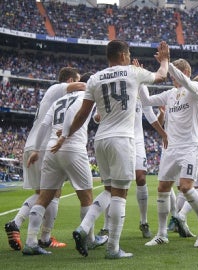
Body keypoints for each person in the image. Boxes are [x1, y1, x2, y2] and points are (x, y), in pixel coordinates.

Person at [58, 40, 169, 259]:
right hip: (122, 139)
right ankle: (113, 248)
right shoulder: (132, 71)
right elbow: (161, 75)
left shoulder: (95, 78)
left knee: (108, 190)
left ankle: (83, 228)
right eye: (127, 54)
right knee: (120, 193)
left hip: (101, 140)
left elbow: (83, 115)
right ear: (121, 56)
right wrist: (164, 60)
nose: (129, 58)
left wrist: (65, 135)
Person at [22, 72, 107, 255]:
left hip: (51, 151)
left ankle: (30, 241)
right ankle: (90, 239)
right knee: (86, 197)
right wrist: (65, 136)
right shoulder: (86, 94)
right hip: (72, 148)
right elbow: (71, 114)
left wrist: (37, 150)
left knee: (44, 197)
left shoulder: (58, 100)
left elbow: (44, 125)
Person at [4, 67, 85, 251]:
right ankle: (44, 238)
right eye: (76, 81)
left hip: (34, 144)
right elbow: (81, 86)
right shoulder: (58, 88)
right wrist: (96, 86)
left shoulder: (54, 96)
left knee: (42, 193)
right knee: (52, 193)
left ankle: (16, 224)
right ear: (70, 79)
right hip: (41, 147)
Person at [140, 58, 198, 248]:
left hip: (189, 147)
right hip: (171, 147)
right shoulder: (171, 94)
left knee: (187, 187)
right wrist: (140, 81)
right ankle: (162, 234)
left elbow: (185, 81)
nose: (172, 78)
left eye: (174, 75)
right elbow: (146, 100)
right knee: (163, 188)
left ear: (185, 72)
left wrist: (167, 63)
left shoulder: (194, 87)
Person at [92, 83, 168, 239]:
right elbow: (97, 113)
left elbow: (149, 113)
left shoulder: (140, 86)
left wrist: (163, 132)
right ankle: (107, 226)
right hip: (118, 138)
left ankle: (144, 221)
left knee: (141, 177)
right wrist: (98, 117)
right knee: (113, 184)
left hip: (137, 140)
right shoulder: (113, 84)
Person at [171, 74, 198, 238]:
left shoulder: (182, 101)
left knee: (183, 188)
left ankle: (174, 221)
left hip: (179, 149)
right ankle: (180, 217)